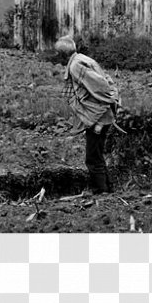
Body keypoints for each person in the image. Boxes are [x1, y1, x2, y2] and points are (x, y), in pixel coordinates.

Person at [55, 35, 121, 194]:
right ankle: (107, 189)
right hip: (100, 114)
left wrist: (106, 106)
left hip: (99, 116)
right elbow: (105, 80)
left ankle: (101, 191)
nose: (57, 58)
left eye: (58, 54)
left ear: (64, 54)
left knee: (92, 157)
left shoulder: (76, 65)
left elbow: (100, 85)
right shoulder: (82, 59)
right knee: (96, 154)